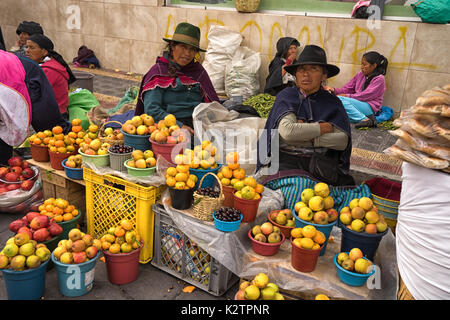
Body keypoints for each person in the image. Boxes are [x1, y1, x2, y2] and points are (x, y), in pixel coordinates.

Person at [257, 45, 354, 186]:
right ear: (296, 73)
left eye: (313, 69)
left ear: (324, 75)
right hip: (286, 162)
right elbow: (288, 132)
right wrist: (321, 128)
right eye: (301, 69)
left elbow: (342, 141)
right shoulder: (287, 96)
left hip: (321, 166)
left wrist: (308, 138)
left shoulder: (332, 102)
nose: (306, 74)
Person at [134, 22, 219, 136]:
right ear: (172, 46)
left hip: (198, 124)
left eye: (192, 49)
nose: (187, 53)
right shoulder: (158, 72)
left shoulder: (198, 71)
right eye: (183, 47)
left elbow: (211, 101)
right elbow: (152, 109)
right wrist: (180, 126)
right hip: (167, 128)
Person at [324, 51, 388, 128]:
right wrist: (333, 89)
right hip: (356, 104)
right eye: (362, 64)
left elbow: (365, 96)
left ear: (374, 65)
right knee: (334, 106)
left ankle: (365, 120)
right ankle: (362, 118)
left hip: (369, 107)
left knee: (340, 99)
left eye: (365, 64)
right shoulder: (360, 75)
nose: (362, 67)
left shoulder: (379, 79)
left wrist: (346, 96)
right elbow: (347, 89)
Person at [25, 33, 76, 118]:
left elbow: (33, 93)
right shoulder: (44, 65)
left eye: (32, 48)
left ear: (44, 52)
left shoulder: (48, 70)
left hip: (54, 116)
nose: (27, 50)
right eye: (26, 47)